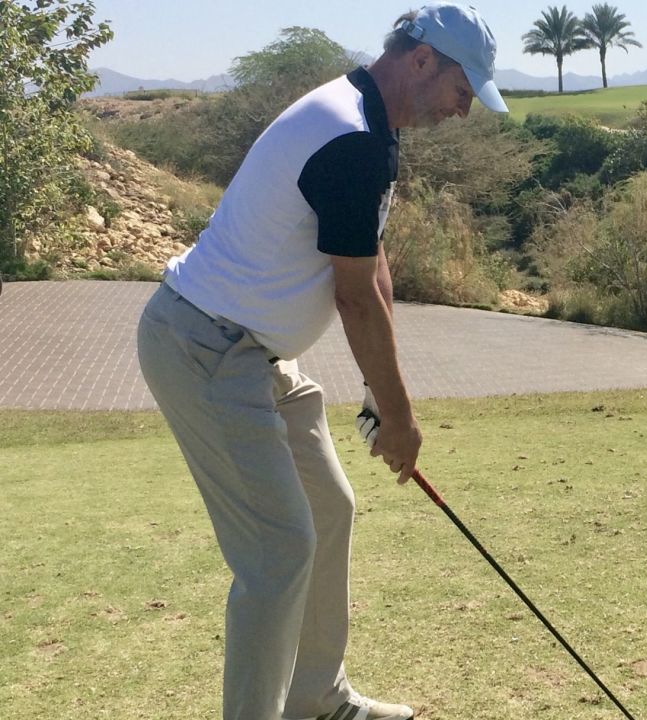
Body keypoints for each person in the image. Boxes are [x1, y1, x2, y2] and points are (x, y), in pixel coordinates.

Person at [135, 5, 507, 720]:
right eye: (463, 90)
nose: (463, 110)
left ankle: (316, 697)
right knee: (278, 553)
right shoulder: (350, 134)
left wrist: (379, 392)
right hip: (206, 346)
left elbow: (372, 265)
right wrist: (398, 419)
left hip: (255, 353)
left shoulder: (373, 126)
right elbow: (353, 299)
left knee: (329, 507)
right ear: (422, 61)